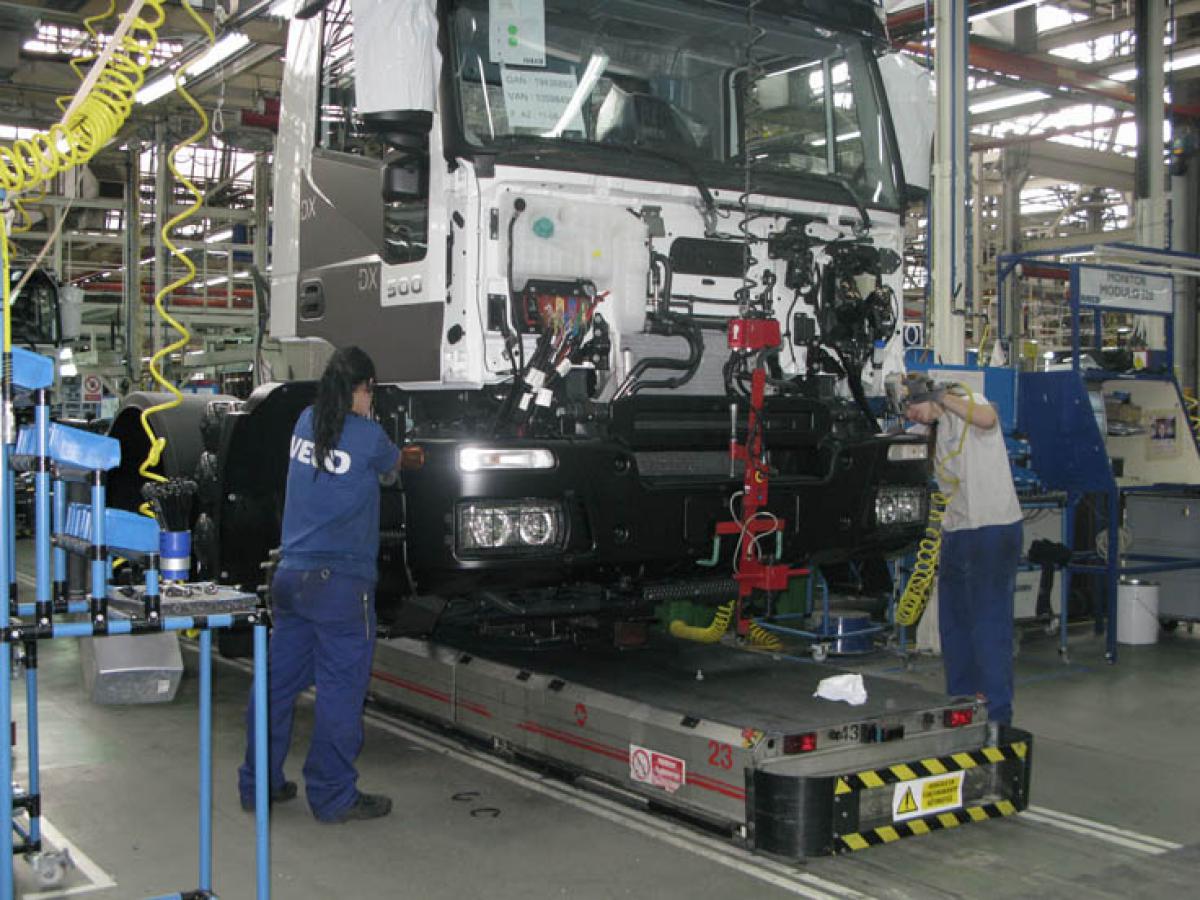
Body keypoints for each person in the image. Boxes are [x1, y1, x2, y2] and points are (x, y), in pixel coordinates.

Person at [238, 346, 403, 823]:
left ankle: (259, 784)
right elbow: (393, 470)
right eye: (369, 390)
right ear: (363, 388)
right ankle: (332, 797)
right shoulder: (369, 436)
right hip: (341, 588)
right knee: (339, 693)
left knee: (275, 686)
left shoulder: (305, 422)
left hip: (290, 580)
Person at [905, 376, 1023, 726]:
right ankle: (960, 706)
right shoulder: (938, 427)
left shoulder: (968, 404)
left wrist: (941, 397)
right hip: (957, 532)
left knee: (987, 625)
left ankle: (997, 717)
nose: (912, 413)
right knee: (954, 625)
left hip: (991, 528)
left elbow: (989, 419)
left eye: (915, 404)